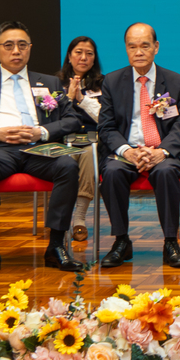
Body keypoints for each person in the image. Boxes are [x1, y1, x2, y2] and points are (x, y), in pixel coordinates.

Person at [0, 21, 82, 278]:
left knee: (68, 166)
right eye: (8, 45)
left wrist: (41, 132)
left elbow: (72, 119)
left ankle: (56, 246)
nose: (16, 51)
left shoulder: (49, 82)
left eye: (22, 45)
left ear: (30, 48)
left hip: (39, 148)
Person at [97, 23, 180, 269]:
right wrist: (127, 151)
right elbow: (106, 127)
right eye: (132, 47)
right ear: (126, 49)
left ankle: (171, 242)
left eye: (144, 46)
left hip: (162, 152)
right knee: (112, 172)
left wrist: (161, 151)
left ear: (156, 47)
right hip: (126, 152)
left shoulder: (176, 82)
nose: (138, 52)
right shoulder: (112, 81)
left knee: (166, 172)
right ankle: (121, 240)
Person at [58, 36, 104, 241]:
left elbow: (105, 118)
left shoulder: (103, 84)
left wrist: (82, 99)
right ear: (69, 56)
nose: (83, 57)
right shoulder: (55, 83)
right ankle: (60, 219)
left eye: (89, 54)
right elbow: (51, 118)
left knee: (88, 154)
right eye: (78, 52)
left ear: (94, 59)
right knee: (67, 160)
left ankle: (79, 218)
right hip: (62, 140)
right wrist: (68, 98)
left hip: (93, 140)